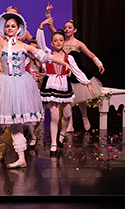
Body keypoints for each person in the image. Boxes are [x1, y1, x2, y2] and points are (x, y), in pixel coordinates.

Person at [0, 0, 66, 168]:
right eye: (7, 26)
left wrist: (65, 63)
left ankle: (20, 157)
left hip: (20, 86)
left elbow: (45, 56)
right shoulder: (1, 43)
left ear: (19, 28)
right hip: (6, 84)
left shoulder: (24, 46)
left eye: (13, 25)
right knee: (14, 125)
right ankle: (20, 157)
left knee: (16, 124)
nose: (10, 28)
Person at [36, 20, 91, 156]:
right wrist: (41, 27)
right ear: (52, 43)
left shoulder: (68, 58)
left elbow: (77, 71)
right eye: (56, 40)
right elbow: (40, 44)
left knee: (67, 115)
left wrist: (87, 82)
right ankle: (54, 143)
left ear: (63, 42)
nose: (59, 42)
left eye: (61, 40)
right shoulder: (48, 55)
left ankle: (62, 134)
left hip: (64, 87)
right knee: (54, 117)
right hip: (51, 87)